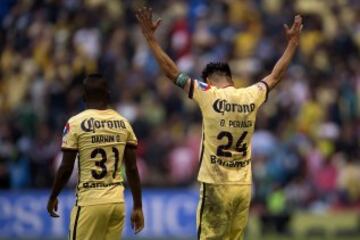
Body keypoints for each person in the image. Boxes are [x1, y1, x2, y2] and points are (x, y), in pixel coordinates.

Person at [136, 7, 302, 240]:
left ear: (209, 81)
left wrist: (151, 40)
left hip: (216, 184)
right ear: (231, 79)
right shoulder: (251, 95)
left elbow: (171, 72)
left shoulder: (207, 93)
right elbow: (275, 76)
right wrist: (293, 44)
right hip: (243, 186)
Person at [47, 73, 144, 240]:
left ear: (84, 96)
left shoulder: (75, 123)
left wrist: (53, 196)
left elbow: (66, 167)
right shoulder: (123, 123)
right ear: (109, 94)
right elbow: (132, 168)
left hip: (89, 202)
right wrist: (137, 206)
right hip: (116, 203)